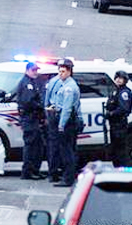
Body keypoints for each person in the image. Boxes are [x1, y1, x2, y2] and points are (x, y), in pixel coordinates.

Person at [47, 59, 81, 187]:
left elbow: (67, 108)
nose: (60, 74)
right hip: (63, 118)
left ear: (69, 72)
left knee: (67, 151)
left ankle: (68, 178)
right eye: (59, 71)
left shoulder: (69, 88)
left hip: (66, 122)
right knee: (65, 150)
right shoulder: (64, 85)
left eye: (63, 71)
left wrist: (61, 125)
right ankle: (67, 177)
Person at [17, 62, 45, 180]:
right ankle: (28, 171)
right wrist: (40, 106)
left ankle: (34, 170)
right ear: (27, 70)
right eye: (33, 70)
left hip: (34, 118)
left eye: (36, 70)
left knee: (37, 145)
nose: (36, 72)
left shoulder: (32, 82)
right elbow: (28, 101)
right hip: (29, 118)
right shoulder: (26, 83)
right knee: (31, 145)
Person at [106, 71, 132, 167]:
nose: (118, 80)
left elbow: (123, 108)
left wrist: (112, 113)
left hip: (119, 124)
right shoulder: (116, 91)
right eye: (117, 77)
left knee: (120, 150)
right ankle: (118, 170)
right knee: (115, 150)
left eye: (120, 78)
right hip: (114, 124)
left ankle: (124, 172)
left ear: (125, 80)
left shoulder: (124, 92)